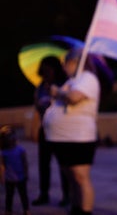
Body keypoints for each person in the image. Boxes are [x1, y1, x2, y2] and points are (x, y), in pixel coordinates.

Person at [43, 48, 101, 215]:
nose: (63, 67)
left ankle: (85, 211)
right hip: (62, 138)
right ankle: (76, 208)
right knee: (71, 177)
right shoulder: (73, 80)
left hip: (78, 138)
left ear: (74, 62)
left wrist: (57, 92)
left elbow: (74, 98)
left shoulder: (88, 78)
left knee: (80, 177)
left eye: (65, 63)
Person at [31, 56, 70, 207]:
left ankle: (67, 195)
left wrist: (55, 93)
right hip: (45, 130)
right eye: (44, 69)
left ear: (56, 69)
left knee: (63, 165)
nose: (46, 72)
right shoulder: (40, 86)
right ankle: (44, 193)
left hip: (60, 131)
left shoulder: (63, 85)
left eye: (48, 69)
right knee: (43, 164)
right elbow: (37, 106)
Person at [0, 125, 31, 215]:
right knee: (9, 195)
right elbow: (2, 165)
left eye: (10, 136)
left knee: (23, 195)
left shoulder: (20, 150)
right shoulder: (3, 152)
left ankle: (26, 210)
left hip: (21, 177)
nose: (9, 139)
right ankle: (8, 210)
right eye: (6, 137)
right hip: (9, 178)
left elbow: (25, 163)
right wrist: (2, 177)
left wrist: (26, 173)